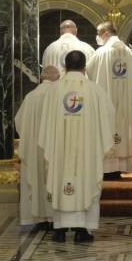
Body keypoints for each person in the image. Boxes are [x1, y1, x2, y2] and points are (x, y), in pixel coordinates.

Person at [38, 51, 114, 243]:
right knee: (86, 180)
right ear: (84, 67)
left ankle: (60, 229)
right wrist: (102, 142)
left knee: (60, 179)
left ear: (65, 66)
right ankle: (82, 229)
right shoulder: (95, 91)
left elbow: (45, 122)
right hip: (87, 151)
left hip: (60, 150)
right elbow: (108, 117)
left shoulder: (53, 90)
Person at [86, 22, 132, 180]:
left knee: (108, 127)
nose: (97, 37)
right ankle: (121, 166)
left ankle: (108, 169)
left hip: (107, 100)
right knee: (123, 128)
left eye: (98, 33)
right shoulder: (128, 52)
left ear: (105, 33)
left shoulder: (101, 52)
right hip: (124, 102)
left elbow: (89, 73)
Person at [16, 65, 60, 229]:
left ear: (42, 77)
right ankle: (54, 217)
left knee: (35, 179)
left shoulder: (30, 97)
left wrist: (29, 139)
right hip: (53, 147)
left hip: (34, 149)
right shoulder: (58, 96)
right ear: (57, 78)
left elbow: (19, 122)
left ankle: (38, 219)